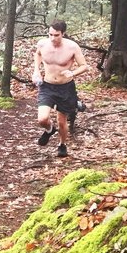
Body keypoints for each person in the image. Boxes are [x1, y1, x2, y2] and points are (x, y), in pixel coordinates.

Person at [31, 20, 88, 157]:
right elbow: (38, 54)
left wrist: (73, 73)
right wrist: (36, 71)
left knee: (62, 122)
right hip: (47, 86)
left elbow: (84, 66)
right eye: (50, 34)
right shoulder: (43, 44)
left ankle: (62, 144)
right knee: (42, 119)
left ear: (63, 33)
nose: (52, 38)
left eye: (56, 35)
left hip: (65, 87)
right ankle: (50, 130)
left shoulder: (72, 47)